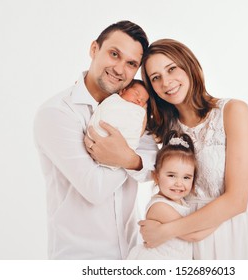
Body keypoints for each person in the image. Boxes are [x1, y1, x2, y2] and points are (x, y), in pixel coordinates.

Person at [33, 20, 158, 260]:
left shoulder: (137, 107)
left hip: (134, 253)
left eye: (131, 64)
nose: (120, 69)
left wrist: (128, 158)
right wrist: (132, 157)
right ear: (93, 49)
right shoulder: (58, 113)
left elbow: (153, 166)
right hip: (81, 258)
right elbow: (95, 188)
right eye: (114, 54)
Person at [138, 38, 248, 259]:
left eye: (172, 69)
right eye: (156, 78)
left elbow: (238, 200)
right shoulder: (162, 128)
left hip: (230, 230)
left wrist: (166, 231)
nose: (166, 82)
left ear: (189, 65)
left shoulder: (233, 111)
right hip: (186, 241)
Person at [127, 130, 216, 259]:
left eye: (186, 177)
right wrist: (222, 218)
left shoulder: (182, 202)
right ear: (156, 176)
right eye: (171, 175)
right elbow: (192, 234)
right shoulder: (160, 207)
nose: (179, 183)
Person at [87, 79, 149, 169]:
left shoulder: (138, 112)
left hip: (123, 154)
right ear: (123, 91)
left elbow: (137, 130)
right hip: (96, 141)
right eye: (136, 94)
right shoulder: (113, 100)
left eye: (143, 100)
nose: (139, 99)